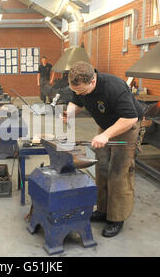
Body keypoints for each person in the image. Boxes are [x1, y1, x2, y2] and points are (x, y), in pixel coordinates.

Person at [62, 61, 144, 238]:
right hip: (106, 127)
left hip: (126, 127)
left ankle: (116, 218)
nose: (79, 93)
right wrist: (69, 113)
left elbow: (130, 118)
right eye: (76, 90)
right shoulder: (79, 85)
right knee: (102, 169)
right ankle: (102, 210)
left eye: (82, 91)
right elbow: (76, 101)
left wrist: (106, 135)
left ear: (93, 81)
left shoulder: (114, 87)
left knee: (119, 172)